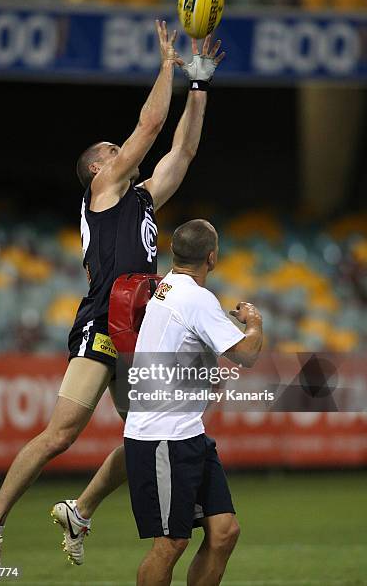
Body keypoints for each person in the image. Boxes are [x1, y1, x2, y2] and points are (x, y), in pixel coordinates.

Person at [0, 23, 226, 571]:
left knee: (143, 433)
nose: (120, 149)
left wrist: (199, 84)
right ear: (96, 168)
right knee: (61, 433)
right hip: (103, 322)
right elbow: (152, 123)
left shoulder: (143, 200)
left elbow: (182, 147)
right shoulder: (104, 189)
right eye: (111, 149)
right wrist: (167, 66)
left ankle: (80, 510)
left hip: (138, 323)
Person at [124, 219, 263, 586]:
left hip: (185, 432)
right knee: (171, 543)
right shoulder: (196, 298)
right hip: (163, 437)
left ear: (175, 252)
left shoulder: (168, 287)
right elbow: (247, 355)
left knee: (223, 531)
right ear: (212, 258)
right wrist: (254, 325)